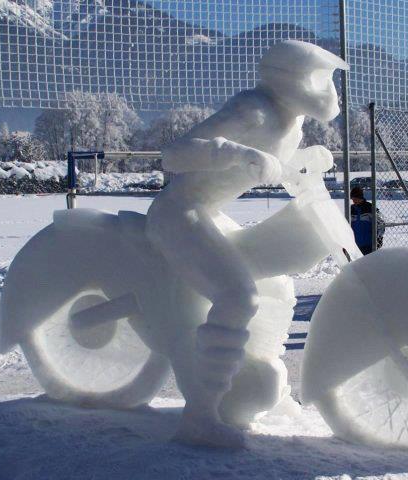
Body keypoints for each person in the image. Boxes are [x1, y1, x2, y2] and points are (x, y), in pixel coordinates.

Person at [146, 41, 350, 448]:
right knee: (237, 296)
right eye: (317, 78)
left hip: (210, 216)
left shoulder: (291, 123)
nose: (327, 91)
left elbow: (276, 165)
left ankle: (272, 392)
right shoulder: (253, 109)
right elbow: (174, 155)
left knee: (279, 286)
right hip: (179, 213)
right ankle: (200, 417)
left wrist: (305, 159)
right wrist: (234, 153)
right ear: (289, 77)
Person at [350, 186, 385, 255]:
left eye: (355, 198)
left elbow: (381, 223)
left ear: (360, 197)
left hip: (369, 245)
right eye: (352, 199)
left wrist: (379, 238)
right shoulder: (351, 209)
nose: (353, 201)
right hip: (355, 246)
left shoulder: (370, 208)